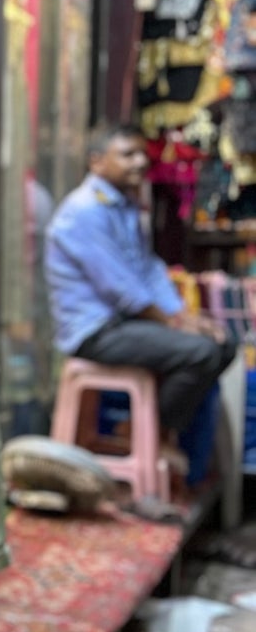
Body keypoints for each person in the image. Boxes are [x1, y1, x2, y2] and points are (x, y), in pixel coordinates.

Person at [46, 122, 236, 443]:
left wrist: (182, 316)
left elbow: (147, 270)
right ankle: (146, 435)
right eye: (127, 155)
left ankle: (159, 434)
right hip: (96, 331)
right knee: (201, 352)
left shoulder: (124, 206)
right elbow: (120, 288)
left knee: (224, 344)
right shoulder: (85, 211)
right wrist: (175, 322)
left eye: (142, 154)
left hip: (125, 323)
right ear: (97, 162)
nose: (140, 162)